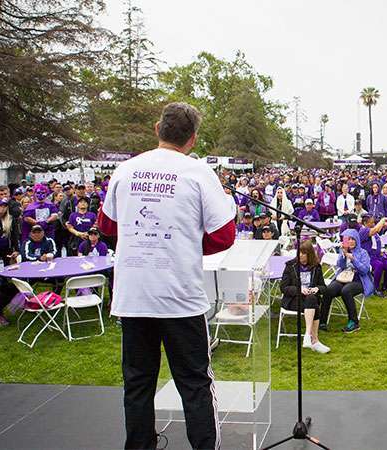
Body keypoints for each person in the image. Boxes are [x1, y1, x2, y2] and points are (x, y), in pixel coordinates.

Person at [101, 102, 235, 450]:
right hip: (180, 298)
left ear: (156, 128)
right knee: (194, 384)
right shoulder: (198, 172)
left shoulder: (126, 169)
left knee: (138, 383)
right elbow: (223, 235)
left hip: (134, 295)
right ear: (192, 139)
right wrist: (184, 246)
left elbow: (106, 226)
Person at [279, 240, 330, 354]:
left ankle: (308, 336)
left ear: (310, 254)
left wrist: (316, 289)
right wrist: (299, 290)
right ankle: (314, 340)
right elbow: (283, 288)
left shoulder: (316, 267)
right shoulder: (290, 266)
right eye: (299, 252)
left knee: (311, 298)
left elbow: (323, 287)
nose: (300, 255)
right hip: (293, 300)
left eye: (303, 253)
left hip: (309, 301)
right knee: (314, 303)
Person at [319, 228, 374, 334]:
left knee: (346, 291)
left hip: (359, 280)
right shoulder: (344, 250)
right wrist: (343, 255)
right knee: (329, 290)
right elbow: (340, 266)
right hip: (343, 277)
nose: (350, 242)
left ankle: (353, 322)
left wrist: (353, 259)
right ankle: (322, 321)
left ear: (357, 240)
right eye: (348, 239)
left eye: (353, 239)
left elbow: (365, 270)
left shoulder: (363, 253)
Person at [358, 215, 387, 296]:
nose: (373, 224)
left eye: (374, 222)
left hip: (378, 255)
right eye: (371, 222)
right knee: (379, 265)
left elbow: (378, 231)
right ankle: (375, 288)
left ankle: (385, 285)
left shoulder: (372, 230)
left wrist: (385, 225)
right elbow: (375, 230)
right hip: (368, 257)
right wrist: (382, 220)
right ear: (365, 223)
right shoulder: (363, 231)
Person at [0, 198, 20, 265]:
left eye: (5, 206)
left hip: (6, 248)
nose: (3, 208)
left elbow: (15, 235)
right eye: (0, 206)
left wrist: (17, 250)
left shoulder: (11, 219)